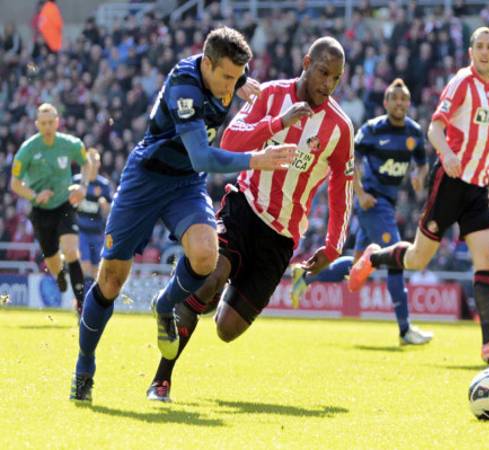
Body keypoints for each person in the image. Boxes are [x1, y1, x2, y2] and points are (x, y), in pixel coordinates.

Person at [69, 26, 296, 402]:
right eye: (225, 76)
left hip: (185, 184)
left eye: (237, 77)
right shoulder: (184, 87)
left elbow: (201, 151)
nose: (231, 86)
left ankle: (164, 303)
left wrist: (238, 82)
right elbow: (203, 156)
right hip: (147, 178)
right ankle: (84, 365)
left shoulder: (226, 78)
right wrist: (257, 160)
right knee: (110, 281)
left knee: (207, 254)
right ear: (206, 64)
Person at [146, 36, 354, 402]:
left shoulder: (339, 128)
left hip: (282, 237)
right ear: (307, 62)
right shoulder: (271, 95)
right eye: (323, 72)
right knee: (211, 275)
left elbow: (342, 185)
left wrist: (334, 245)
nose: (327, 84)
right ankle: (161, 380)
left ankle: (200, 298)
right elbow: (231, 140)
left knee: (227, 329)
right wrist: (277, 123)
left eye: (335, 79)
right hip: (244, 206)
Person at [348, 27, 489, 364]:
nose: (485, 52)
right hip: (449, 181)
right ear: (471, 51)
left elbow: (483, 138)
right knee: (417, 258)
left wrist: (486, 171)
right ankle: (374, 257)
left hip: (475, 187)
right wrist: (448, 154)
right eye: (480, 47)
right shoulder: (462, 82)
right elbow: (434, 127)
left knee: (486, 260)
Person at [290, 78, 433, 345]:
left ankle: (306, 276)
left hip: (386, 204)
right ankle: (404, 329)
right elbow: (350, 160)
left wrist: (419, 177)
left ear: (409, 103)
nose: (400, 103)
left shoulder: (413, 133)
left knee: (359, 266)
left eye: (404, 99)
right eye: (395, 98)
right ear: (386, 102)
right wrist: (360, 192)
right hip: (372, 203)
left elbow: (422, 163)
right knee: (395, 258)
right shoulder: (372, 130)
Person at [10, 103, 90, 316]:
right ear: (37, 124)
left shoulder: (70, 144)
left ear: (57, 122)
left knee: (71, 250)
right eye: (42, 123)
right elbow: (15, 184)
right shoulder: (28, 149)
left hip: (64, 203)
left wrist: (83, 186)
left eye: (50, 122)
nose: (47, 126)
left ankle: (81, 305)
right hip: (40, 210)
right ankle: (58, 274)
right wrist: (35, 196)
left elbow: (86, 161)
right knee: (53, 260)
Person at [73, 148, 112, 286]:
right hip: (81, 231)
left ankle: (89, 300)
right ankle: (82, 301)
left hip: (97, 232)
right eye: (91, 161)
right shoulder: (77, 181)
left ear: (99, 164)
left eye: (96, 161)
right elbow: (69, 204)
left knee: (96, 271)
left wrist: (105, 205)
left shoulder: (104, 185)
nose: (94, 164)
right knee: (86, 266)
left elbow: (109, 211)